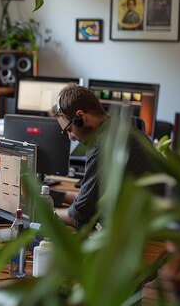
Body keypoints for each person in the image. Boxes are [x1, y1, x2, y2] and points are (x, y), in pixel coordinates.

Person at [48, 84, 159, 229]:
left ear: (80, 117)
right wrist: (53, 196)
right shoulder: (118, 127)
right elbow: (89, 200)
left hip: (139, 238)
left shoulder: (103, 145)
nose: (70, 137)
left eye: (69, 129)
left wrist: (42, 212)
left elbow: (78, 216)